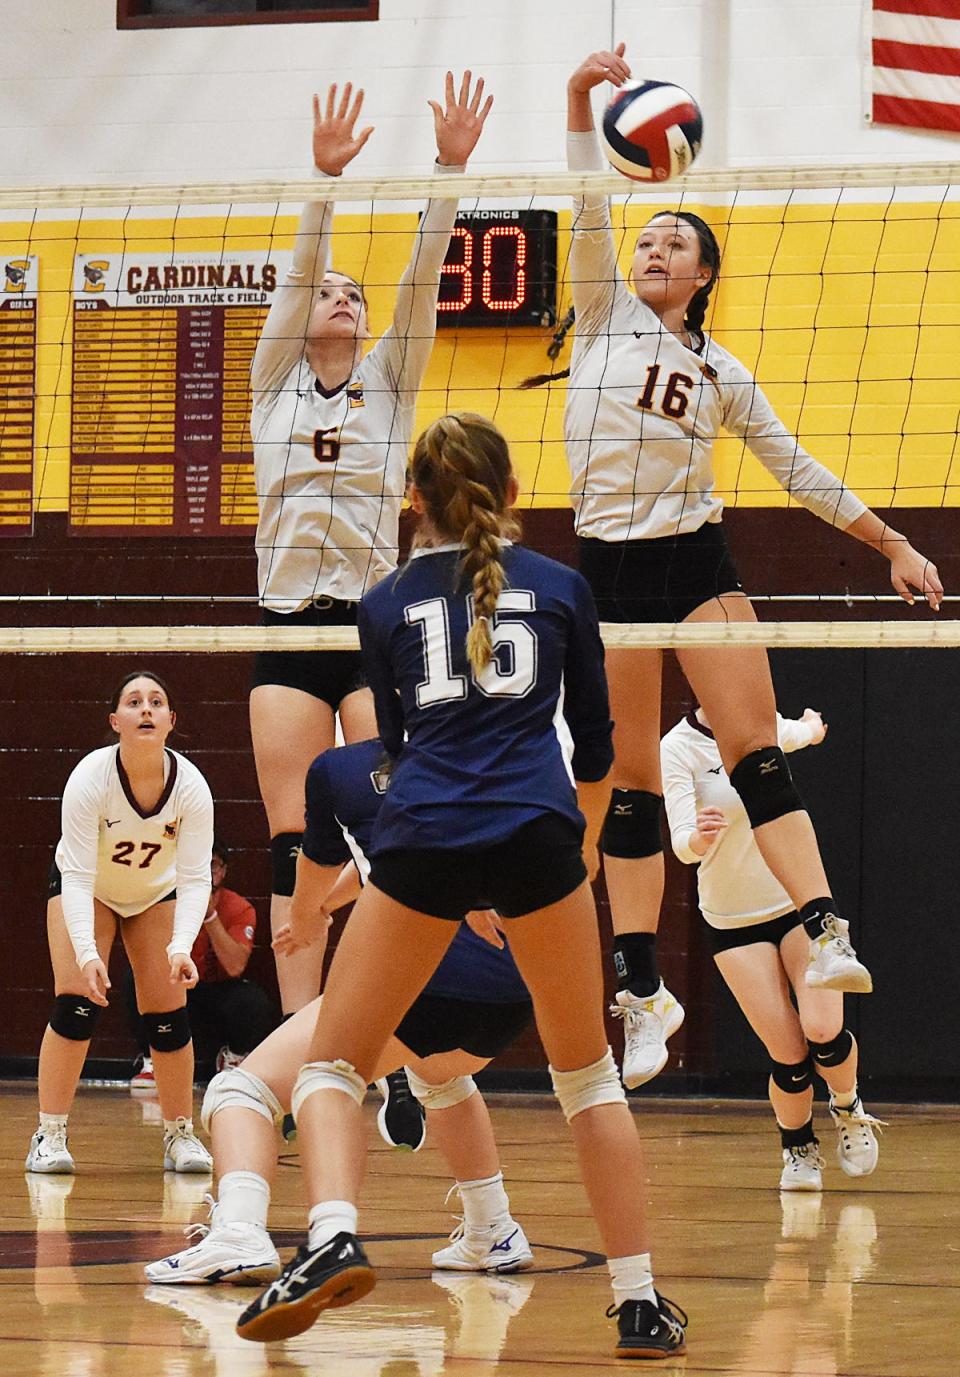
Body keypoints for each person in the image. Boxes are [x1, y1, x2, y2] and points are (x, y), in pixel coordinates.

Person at [523, 42, 943, 1090]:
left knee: (754, 752)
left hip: (694, 561)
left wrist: (891, 542)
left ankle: (824, 927)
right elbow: (586, 197)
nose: (656, 245)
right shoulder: (607, 314)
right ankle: (641, 987)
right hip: (606, 571)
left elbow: (796, 469)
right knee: (624, 785)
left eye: (678, 240)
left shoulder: (722, 370)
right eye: (650, 233)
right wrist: (580, 98)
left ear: (705, 274)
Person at [234, 412, 688, 1359]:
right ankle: (639, 1300)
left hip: (426, 835)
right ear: (514, 493)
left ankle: (329, 1235)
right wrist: (588, 847)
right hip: (539, 834)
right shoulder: (564, 588)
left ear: (412, 502)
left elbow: (397, 748)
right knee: (588, 1079)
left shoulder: (381, 602)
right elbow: (599, 749)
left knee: (331, 1065)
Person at [249, 73, 492, 1018]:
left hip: (369, 623)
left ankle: (379, 1012)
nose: (344, 298)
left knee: (396, 821)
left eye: (355, 293)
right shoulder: (274, 380)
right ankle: (301, 1033)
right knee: (289, 837)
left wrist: (449, 171)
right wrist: (323, 180)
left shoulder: (388, 381)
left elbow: (423, 281)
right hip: (277, 626)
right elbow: (302, 269)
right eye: (329, 291)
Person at [143, 735, 536, 1285]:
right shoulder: (485, 752)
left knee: (242, 1089)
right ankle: (493, 1229)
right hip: (513, 987)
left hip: (420, 977)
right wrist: (326, 907)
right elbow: (379, 855)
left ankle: (238, 1232)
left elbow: (318, 863)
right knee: (437, 1076)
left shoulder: (340, 769)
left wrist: (307, 916)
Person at [661, 703, 883, 1191]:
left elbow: (798, 733)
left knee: (824, 1028)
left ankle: (848, 1107)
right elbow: (679, 840)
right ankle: (798, 1147)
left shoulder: (758, 723)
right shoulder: (677, 747)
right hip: (731, 919)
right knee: (788, 1051)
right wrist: (697, 839)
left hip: (792, 905)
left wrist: (811, 726)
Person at [26, 671, 214, 1176]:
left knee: (168, 1014)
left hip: (156, 893)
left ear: (172, 720)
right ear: (116, 721)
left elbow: (196, 878)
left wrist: (180, 946)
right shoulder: (91, 777)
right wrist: (87, 954)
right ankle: (49, 1133)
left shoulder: (192, 786)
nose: (146, 709)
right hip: (88, 889)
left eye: (157, 702)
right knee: (76, 1004)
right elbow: (80, 875)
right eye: (134, 702)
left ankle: (180, 1134)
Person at [127, 837, 279, 1087]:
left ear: (223, 871)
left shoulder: (240, 908)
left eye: (213, 866)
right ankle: (153, 1059)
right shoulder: (165, 902)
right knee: (136, 977)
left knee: (253, 1001)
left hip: (217, 990)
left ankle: (235, 1058)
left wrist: (209, 915)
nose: (206, 873)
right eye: (198, 865)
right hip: (176, 985)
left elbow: (235, 967)